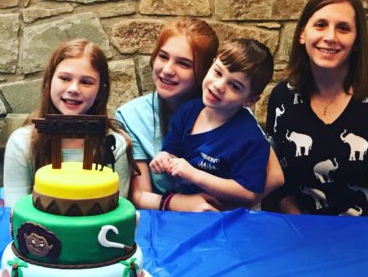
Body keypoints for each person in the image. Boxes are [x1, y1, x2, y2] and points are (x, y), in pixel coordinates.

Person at [116, 17, 283, 211]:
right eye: (163, 56)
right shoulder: (135, 115)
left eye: (184, 64)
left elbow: (274, 177)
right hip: (168, 217)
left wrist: (221, 207)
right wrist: (180, 202)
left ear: (202, 69)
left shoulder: (234, 113)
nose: (168, 70)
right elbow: (138, 196)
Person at [265, 0, 368, 215]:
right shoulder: (282, 98)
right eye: (320, 25)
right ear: (302, 34)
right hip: (302, 235)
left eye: (343, 28)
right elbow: (277, 181)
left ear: (357, 42)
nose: (330, 37)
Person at [4, 39, 136, 207]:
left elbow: (117, 211)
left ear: (101, 90)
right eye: (65, 78)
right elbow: (14, 210)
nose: (74, 89)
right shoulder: (21, 143)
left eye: (86, 82)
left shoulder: (115, 146)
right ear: (49, 81)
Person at [150, 39, 274, 209]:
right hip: (188, 209)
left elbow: (248, 192)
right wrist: (164, 157)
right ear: (212, 64)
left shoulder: (250, 139)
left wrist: (194, 174)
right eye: (218, 73)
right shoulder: (188, 111)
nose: (218, 86)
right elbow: (172, 149)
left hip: (229, 218)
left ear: (250, 100)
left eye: (235, 86)